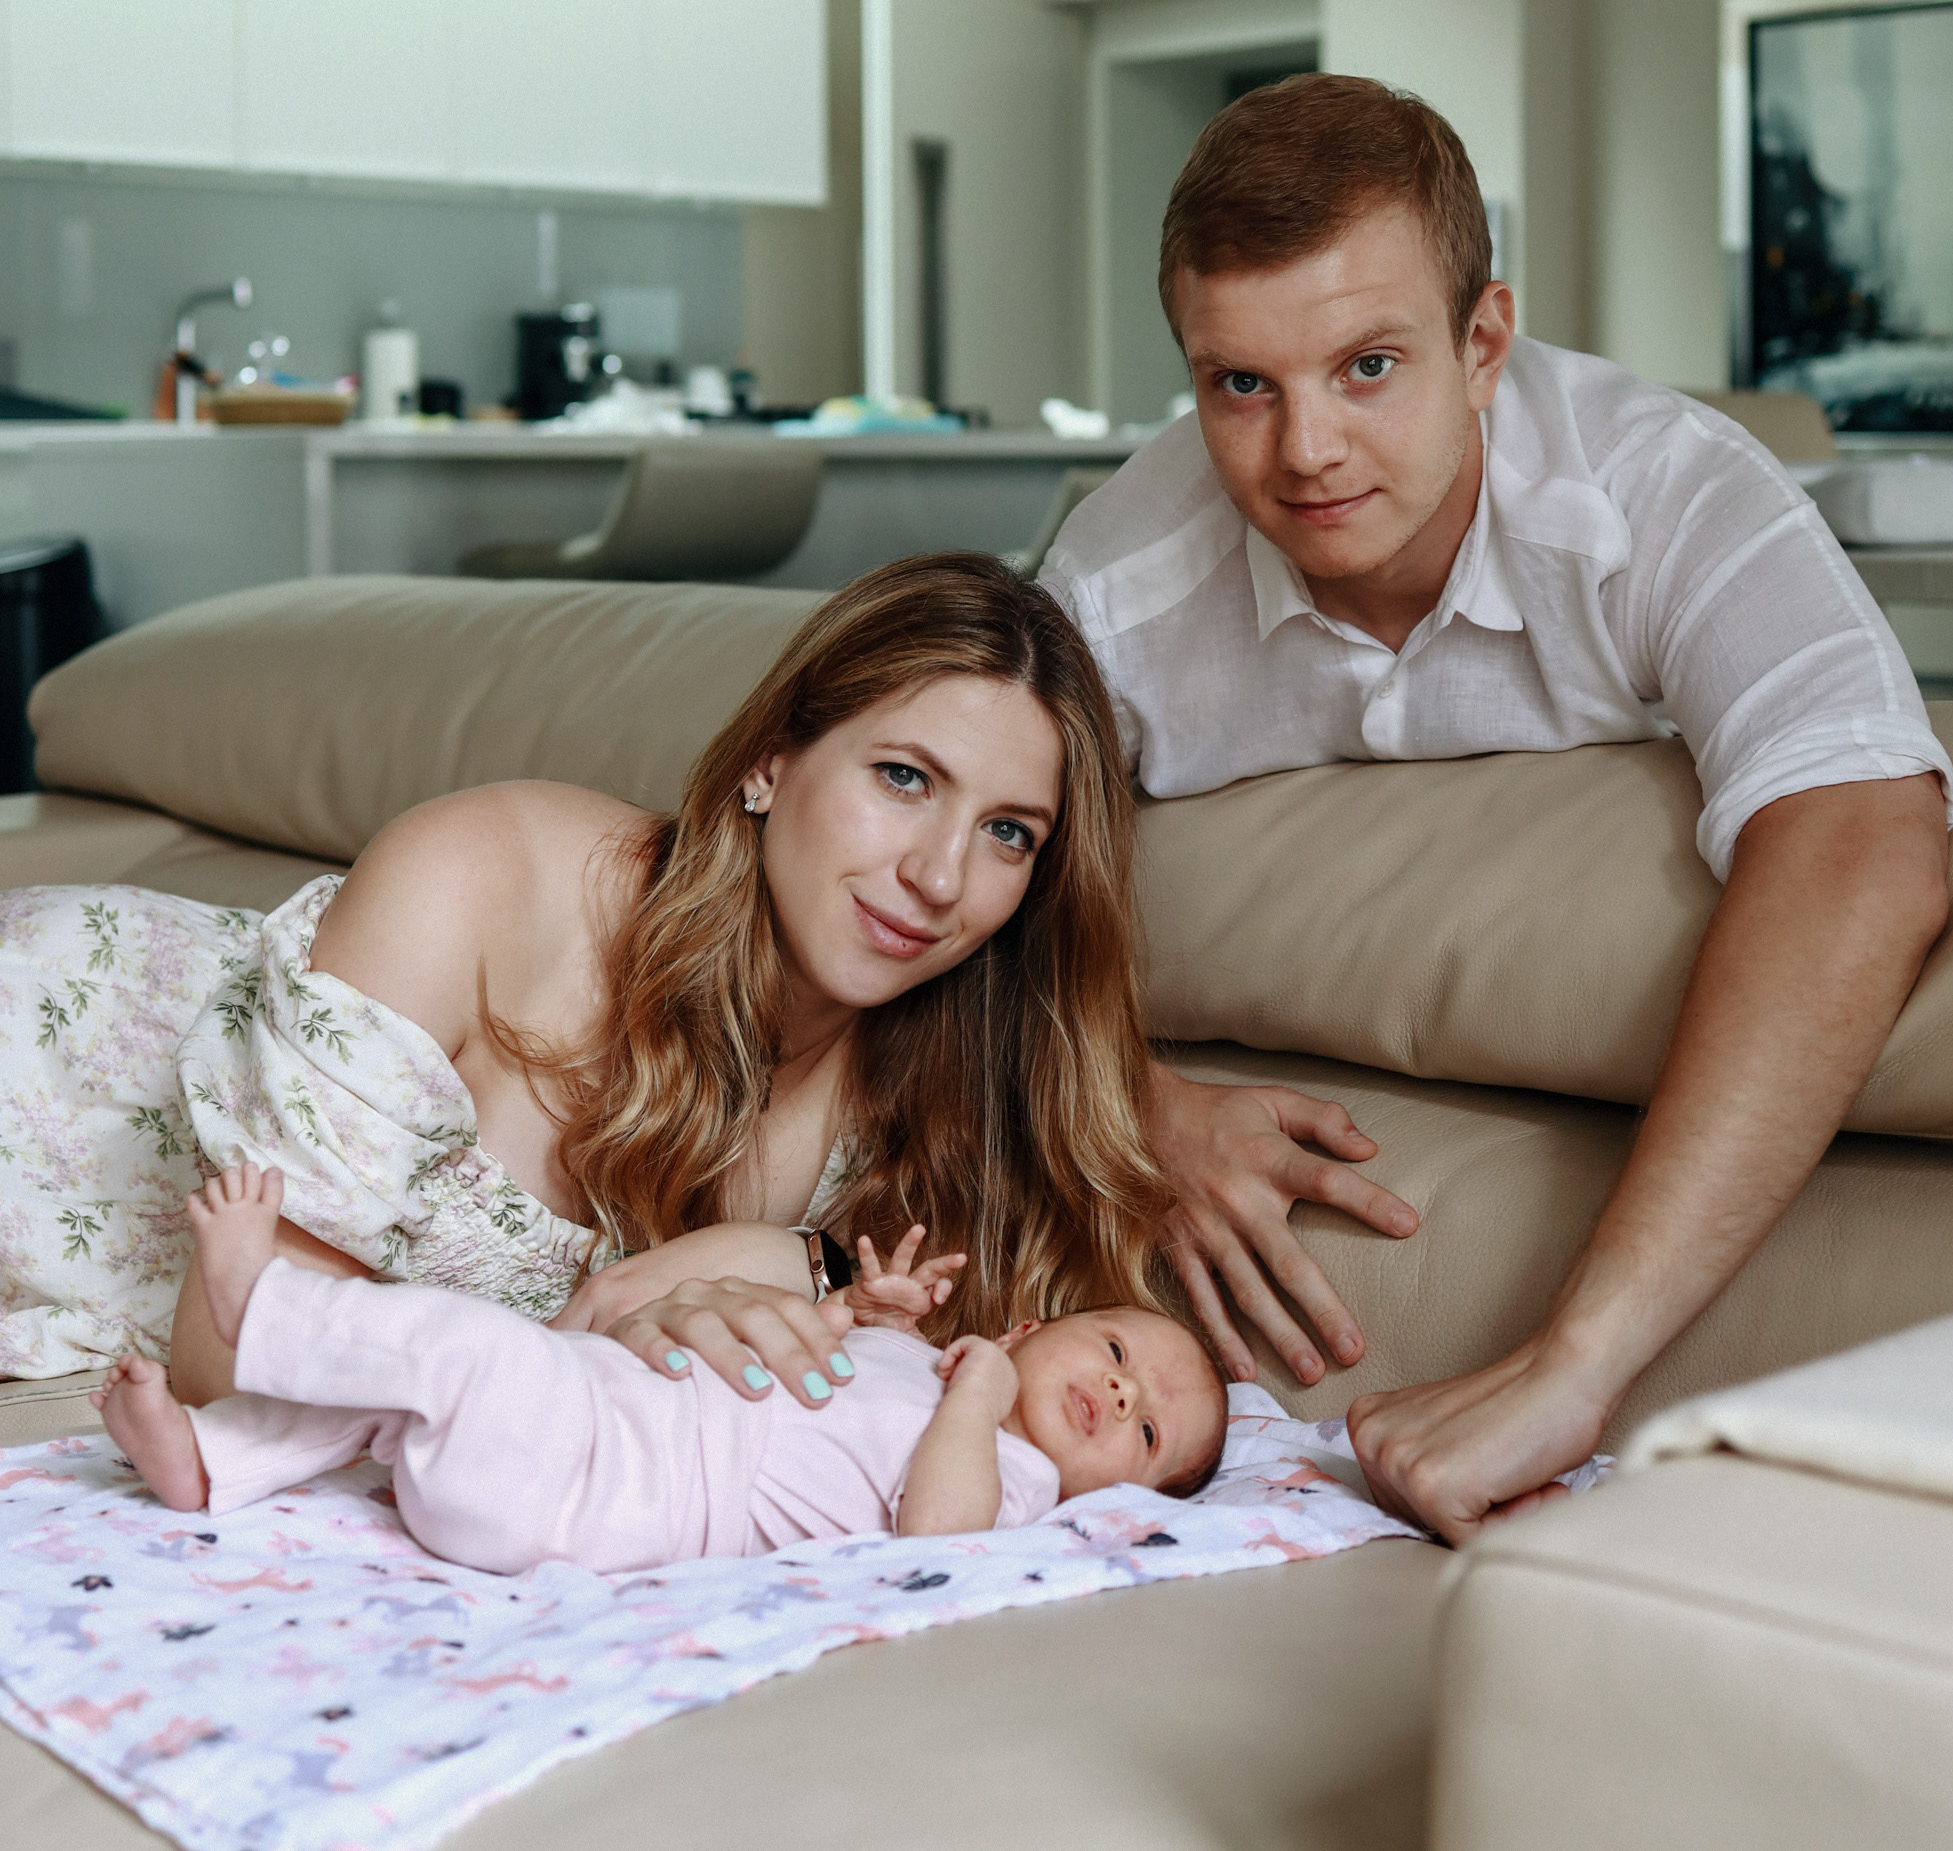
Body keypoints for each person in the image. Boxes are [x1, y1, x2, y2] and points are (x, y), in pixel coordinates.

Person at [1042, 74, 1953, 1544]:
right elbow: (937, 879)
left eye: (1368, 366)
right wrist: (1127, 1106)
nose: (1306, 452)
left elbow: (1863, 838)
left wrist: (1575, 1361)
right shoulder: (1115, 590)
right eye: (1240, 385)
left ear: (1484, 344)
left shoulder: (1662, 491)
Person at [0, 556, 1175, 1419]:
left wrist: (766, 1274)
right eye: (904, 776)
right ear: (771, 761)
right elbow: (232, 1362)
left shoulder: (938, 1112)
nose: (937, 877)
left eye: (1009, 835)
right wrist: (598, 1332)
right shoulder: (484, 879)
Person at [93, 1166, 1227, 1567]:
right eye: (1120, 1351)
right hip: (600, 1415)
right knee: (397, 1402)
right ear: (1029, 1329)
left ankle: (262, 1307)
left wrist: (978, 1402)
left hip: (608, 1496)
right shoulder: (932, 1377)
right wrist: (873, 1316)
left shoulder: (1010, 1481)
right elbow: (827, 1372)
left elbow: (935, 1537)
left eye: (1143, 1434)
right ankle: (211, 1460)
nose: (1123, 1393)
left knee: (462, 1346)